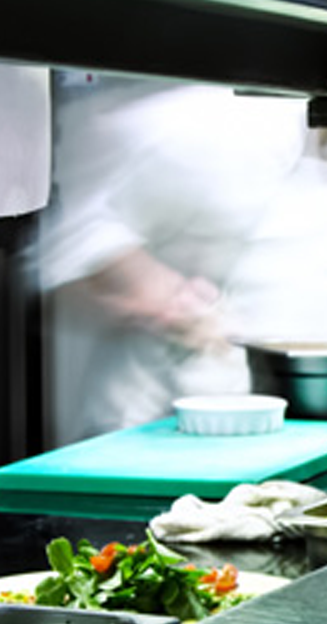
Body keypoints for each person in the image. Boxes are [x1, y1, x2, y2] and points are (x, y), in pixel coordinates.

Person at [37, 73, 327, 444]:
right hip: (164, 418)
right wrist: (172, 300)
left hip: (279, 424)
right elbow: (78, 235)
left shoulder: (297, 146)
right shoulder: (224, 129)